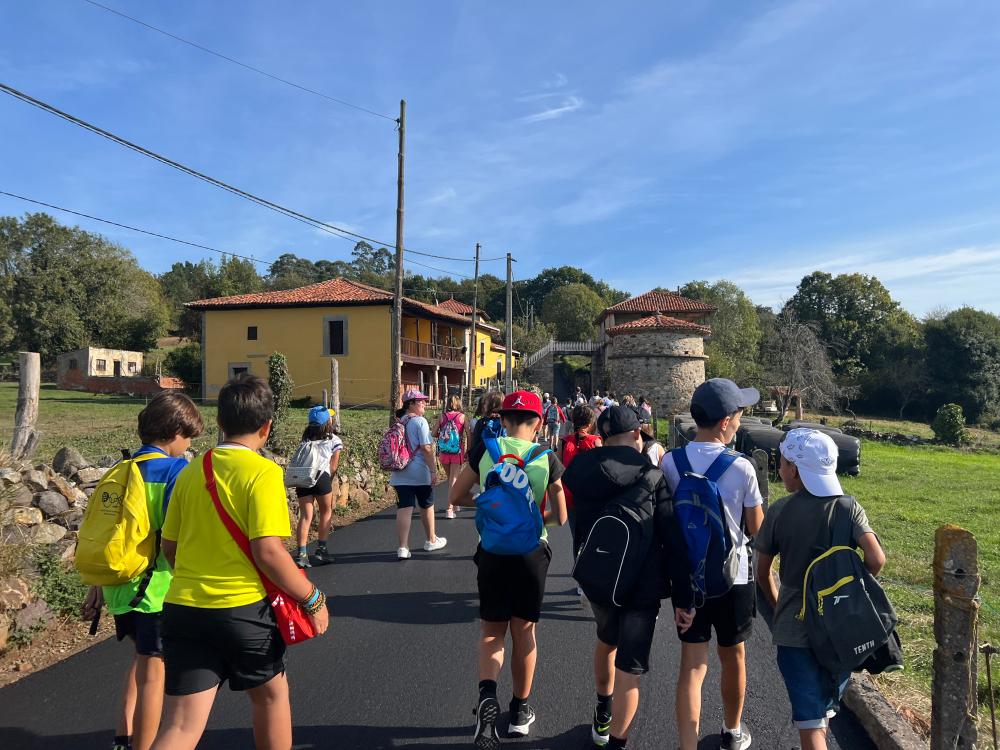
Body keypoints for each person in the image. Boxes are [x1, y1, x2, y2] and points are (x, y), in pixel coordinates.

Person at [151, 374, 329, 750]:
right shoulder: (263, 473)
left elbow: (170, 546)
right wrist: (313, 598)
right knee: (270, 697)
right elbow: (269, 552)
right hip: (243, 611)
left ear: (218, 423)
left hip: (183, 607)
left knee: (181, 726)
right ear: (267, 426)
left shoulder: (191, 470)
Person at [80, 392, 204, 750]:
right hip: (156, 589)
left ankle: (124, 736)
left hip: (119, 586)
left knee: (140, 660)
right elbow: (176, 534)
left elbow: (105, 532)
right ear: (176, 430)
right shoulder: (174, 471)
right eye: (189, 436)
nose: (190, 444)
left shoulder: (120, 469)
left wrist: (97, 585)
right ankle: (144, 746)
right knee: (155, 672)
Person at [448, 390, 568, 748]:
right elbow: (560, 516)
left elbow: (455, 497)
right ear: (539, 423)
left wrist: (489, 508)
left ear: (502, 420)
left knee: (491, 632)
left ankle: (487, 699)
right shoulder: (546, 457)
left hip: (493, 552)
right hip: (532, 553)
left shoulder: (487, 450)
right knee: (524, 633)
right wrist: (532, 520)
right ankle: (519, 711)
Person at [755, 429, 885, 750]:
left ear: (796, 469)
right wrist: (851, 589)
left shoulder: (780, 510)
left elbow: (762, 572)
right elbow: (876, 558)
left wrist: (777, 608)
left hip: (794, 632)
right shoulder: (848, 507)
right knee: (823, 711)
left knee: (810, 721)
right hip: (839, 632)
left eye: (782, 463)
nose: (780, 469)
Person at [563, 406, 676, 749]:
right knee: (631, 666)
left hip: (599, 577)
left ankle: (602, 710)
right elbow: (670, 534)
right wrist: (682, 591)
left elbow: (577, 525)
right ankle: (616, 742)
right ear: (637, 435)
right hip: (643, 584)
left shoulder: (580, 469)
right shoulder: (652, 475)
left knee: (606, 640)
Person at [661, 378, 765, 750]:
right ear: (724, 422)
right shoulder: (742, 467)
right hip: (733, 576)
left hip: (689, 579)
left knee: (692, 665)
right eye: (738, 414)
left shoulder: (671, 461)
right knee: (733, 655)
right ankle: (732, 731)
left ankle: (687, 745)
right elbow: (756, 529)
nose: (740, 420)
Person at [390, 388, 446, 560]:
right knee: (427, 505)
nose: (424, 403)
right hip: (420, 472)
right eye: (420, 400)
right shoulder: (420, 422)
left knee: (404, 508)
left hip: (400, 472)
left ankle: (403, 547)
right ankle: (430, 540)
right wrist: (433, 470)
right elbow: (427, 448)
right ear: (411, 404)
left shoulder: (399, 422)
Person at [293, 405, 343, 567]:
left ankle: (301, 554)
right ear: (327, 422)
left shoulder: (305, 439)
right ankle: (321, 550)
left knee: (306, 516)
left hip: (304, 477)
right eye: (329, 417)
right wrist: (328, 481)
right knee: (326, 512)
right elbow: (333, 467)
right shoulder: (334, 440)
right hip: (322, 477)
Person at [559, 403, 602, 555]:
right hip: (592, 497)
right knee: (594, 535)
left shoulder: (564, 442)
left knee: (576, 537)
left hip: (570, 496)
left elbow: (559, 469)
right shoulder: (597, 441)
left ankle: (579, 565)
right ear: (591, 423)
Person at [436, 394, 468, 519]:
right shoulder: (462, 417)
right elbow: (468, 434)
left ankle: (455, 504)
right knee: (453, 480)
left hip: (444, 451)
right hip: (457, 451)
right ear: (458, 403)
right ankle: (449, 509)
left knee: (451, 479)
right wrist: (468, 449)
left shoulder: (441, 416)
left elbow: (433, 432)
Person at [468, 391, 503, 461]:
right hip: (502, 459)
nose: (483, 406)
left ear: (490, 405)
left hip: (483, 459)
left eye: (485, 403)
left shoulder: (481, 422)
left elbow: (475, 443)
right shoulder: (505, 422)